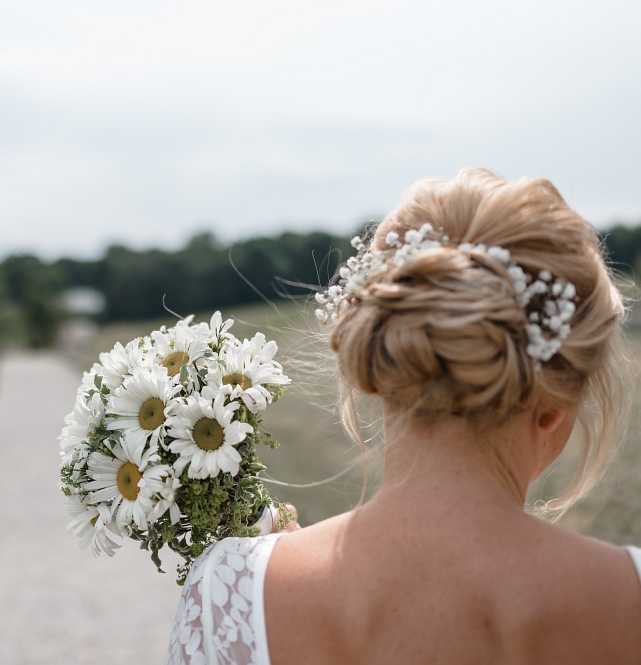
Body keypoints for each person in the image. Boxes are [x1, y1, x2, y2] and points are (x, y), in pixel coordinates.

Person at [165, 168, 641, 665]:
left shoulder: (232, 594)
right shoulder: (629, 597)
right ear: (552, 406)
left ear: (385, 360)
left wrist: (265, 568)